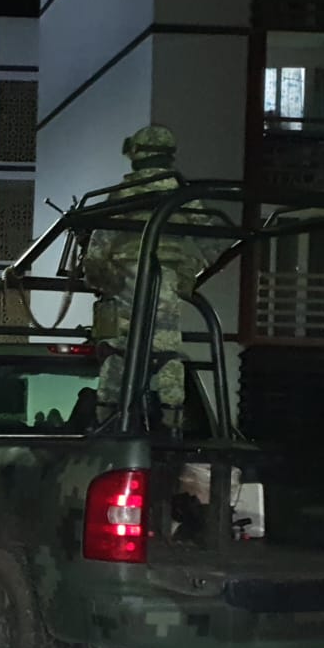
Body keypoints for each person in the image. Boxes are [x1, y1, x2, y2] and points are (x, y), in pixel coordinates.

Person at [81, 125, 226, 428]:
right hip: (167, 283)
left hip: (125, 282)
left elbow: (96, 254)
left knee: (120, 353)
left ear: (135, 153)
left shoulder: (122, 196)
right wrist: (187, 273)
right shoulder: (184, 196)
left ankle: (108, 423)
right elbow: (214, 242)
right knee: (167, 352)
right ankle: (172, 423)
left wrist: (107, 280)